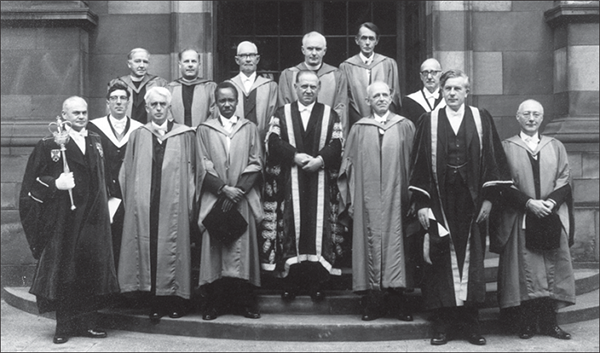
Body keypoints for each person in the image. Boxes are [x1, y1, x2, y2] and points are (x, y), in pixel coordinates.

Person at [409, 69, 512, 346]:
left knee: (473, 259)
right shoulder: (428, 121)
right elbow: (418, 164)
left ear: (467, 91)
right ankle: (441, 323)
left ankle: (470, 323)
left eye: (458, 89)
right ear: (442, 92)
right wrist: (421, 203)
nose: (452, 93)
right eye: (448, 89)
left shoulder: (481, 119)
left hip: (473, 201)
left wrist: (489, 198)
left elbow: (493, 160)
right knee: (440, 255)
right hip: (440, 199)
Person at [19, 96, 119, 344]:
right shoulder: (48, 145)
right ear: (64, 116)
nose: (81, 117)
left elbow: (107, 177)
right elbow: (31, 184)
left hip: (92, 217)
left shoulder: (96, 141)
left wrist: (110, 201)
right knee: (66, 272)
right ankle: (64, 326)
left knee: (89, 271)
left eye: (84, 112)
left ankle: (88, 323)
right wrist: (56, 184)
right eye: (75, 113)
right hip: (64, 220)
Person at [490, 99, 575, 340]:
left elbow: (564, 178)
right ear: (517, 117)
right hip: (521, 216)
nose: (531, 118)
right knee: (525, 270)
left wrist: (551, 203)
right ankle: (525, 323)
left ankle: (550, 323)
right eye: (526, 114)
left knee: (551, 269)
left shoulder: (555, 145)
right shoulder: (506, 147)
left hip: (550, 213)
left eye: (536, 114)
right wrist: (528, 203)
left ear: (542, 117)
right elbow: (503, 184)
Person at [118, 87, 203, 322]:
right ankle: (155, 302)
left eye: (162, 105)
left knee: (175, 251)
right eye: (153, 105)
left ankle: (177, 302)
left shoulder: (185, 135)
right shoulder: (138, 135)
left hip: (175, 205)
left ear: (169, 108)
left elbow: (195, 172)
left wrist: (190, 203)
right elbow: (127, 171)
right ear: (146, 108)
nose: (157, 109)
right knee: (151, 251)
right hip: (147, 205)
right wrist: (135, 204)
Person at [338, 81, 415, 321]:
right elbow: (347, 166)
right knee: (368, 245)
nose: (381, 98)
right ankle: (372, 302)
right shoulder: (359, 128)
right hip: (367, 199)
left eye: (385, 94)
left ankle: (398, 302)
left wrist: (415, 198)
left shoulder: (405, 126)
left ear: (391, 97)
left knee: (397, 247)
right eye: (375, 96)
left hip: (398, 198)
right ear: (367, 101)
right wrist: (349, 200)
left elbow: (415, 165)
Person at [264, 70, 343, 301]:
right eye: (304, 86)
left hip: (320, 180)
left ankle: (317, 284)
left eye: (313, 87)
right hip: (291, 182)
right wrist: (295, 156)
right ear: (295, 88)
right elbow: (272, 141)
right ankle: (291, 283)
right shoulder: (283, 113)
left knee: (317, 229)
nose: (308, 91)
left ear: (319, 88)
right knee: (291, 228)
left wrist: (320, 160)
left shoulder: (330, 114)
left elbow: (338, 143)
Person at [196, 81, 263, 321]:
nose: (226, 104)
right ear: (215, 103)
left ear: (237, 102)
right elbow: (202, 163)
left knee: (241, 251)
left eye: (230, 100)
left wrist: (239, 190)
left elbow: (256, 161)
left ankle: (245, 303)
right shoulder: (205, 129)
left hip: (242, 199)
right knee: (215, 250)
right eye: (222, 100)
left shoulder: (249, 128)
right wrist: (224, 189)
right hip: (215, 198)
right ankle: (214, 304)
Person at [88, 81, 143, 269]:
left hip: (129, 194)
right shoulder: (94, 128)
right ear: (108, 102)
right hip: (103, 193)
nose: (118, 102)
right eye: (114, 98)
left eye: (122, 98)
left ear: (128, 102)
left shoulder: (139, 129)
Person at [278, 31, 347, 136]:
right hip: (296, 134)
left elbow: (341, 110)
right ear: (303, 50)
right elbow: (284, 109)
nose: (314, 53)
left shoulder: (337, 75)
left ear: (324, 51)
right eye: (310, 48)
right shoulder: (288, 75)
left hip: (327, 134)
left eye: (318, 49)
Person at [339, 22, 401, 135]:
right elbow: (345, 101)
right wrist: (361, 122)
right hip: (357, 124)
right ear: (357, 40)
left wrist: (384, 122)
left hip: (385, 124)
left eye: (371, 39)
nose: (367, 43)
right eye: (364, 38)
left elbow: (394, 96)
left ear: (377, 41)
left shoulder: (388, 64)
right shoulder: (346, 66)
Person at [228, 41, 278, 142]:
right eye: (243, 56)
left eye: (251, 55)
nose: (248, 59)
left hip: (262, 141)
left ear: (257, 59)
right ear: (237, 60)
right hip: (235, 142)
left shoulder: (270, 86)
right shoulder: (229, 86)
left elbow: (272, 116)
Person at [108, 48, 168, 124]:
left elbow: (167, 112)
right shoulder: (117, 83)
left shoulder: (159, 83)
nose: (142, 65)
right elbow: (110, 112)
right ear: (129, 64)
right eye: (137, 61)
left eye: (145, 62)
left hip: (151, 130)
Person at [168, 48, 217, 127]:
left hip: (203, 133)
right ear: (180, 65)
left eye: (193, 61)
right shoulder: (170, 88)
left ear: (199, 65)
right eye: (186, 61)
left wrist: (203, 128)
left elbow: (214, 112)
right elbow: (167, 113)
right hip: (177, 134)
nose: (190, 65)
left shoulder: (210, 87)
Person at [401, 58, 446, 125]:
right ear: (421, 76)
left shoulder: (448, 100)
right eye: (425, 73)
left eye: (434, 72)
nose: (429, 77)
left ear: (441, 75)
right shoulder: (409, 101)